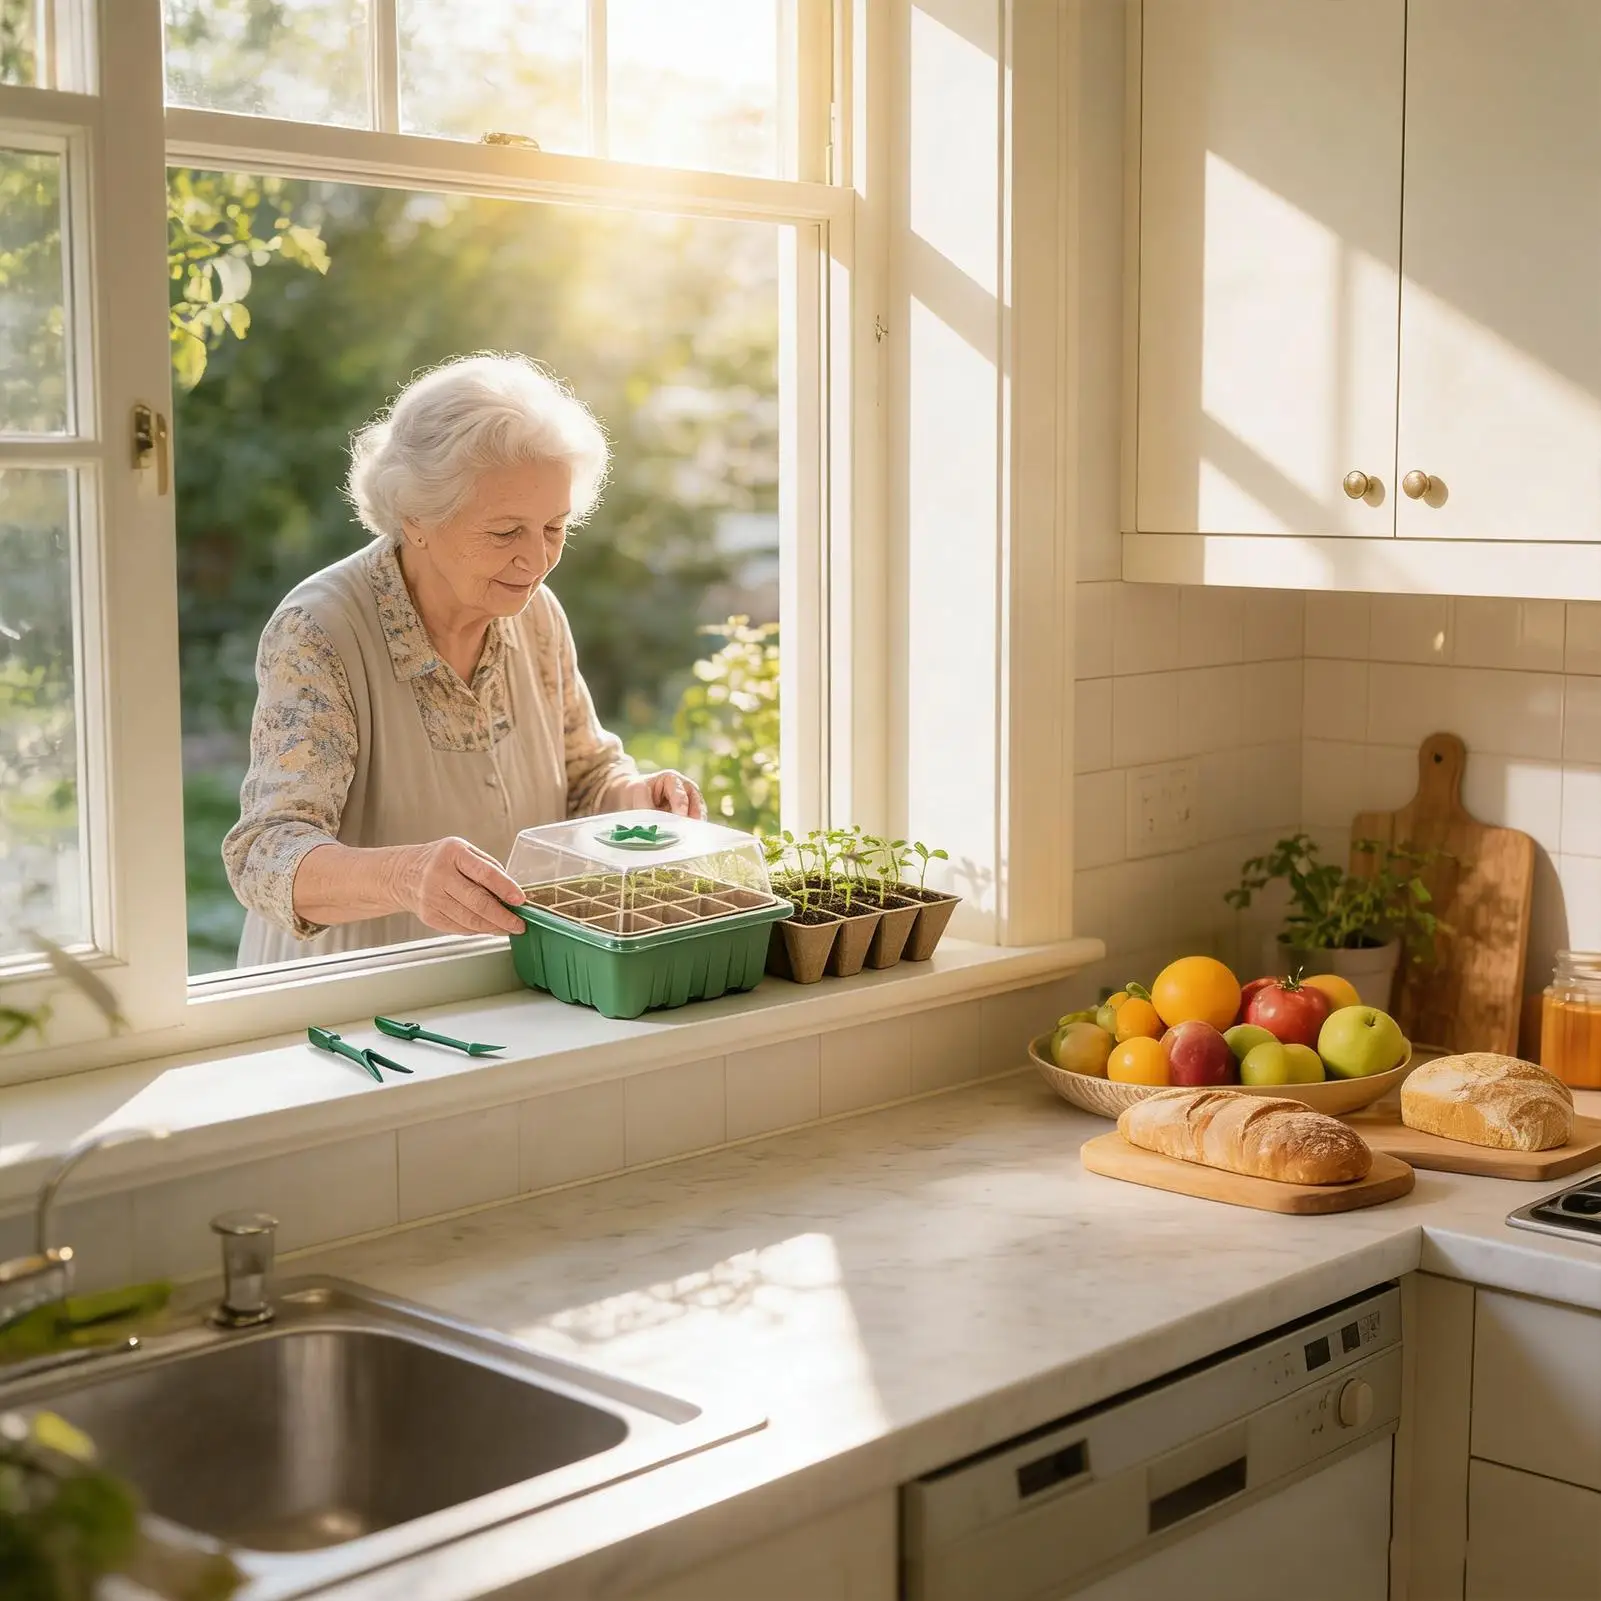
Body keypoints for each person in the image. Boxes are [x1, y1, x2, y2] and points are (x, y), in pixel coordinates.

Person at [223, 353, 706, 967]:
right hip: (346, 1010)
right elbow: (265, 855)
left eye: (554, 528)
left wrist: (636, 799)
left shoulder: (534, 613)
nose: (536, 561)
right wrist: (406, 875)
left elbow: (584, 779)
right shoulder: (321, 629)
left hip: (501, 989)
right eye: (506, 533)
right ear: (416, 519)